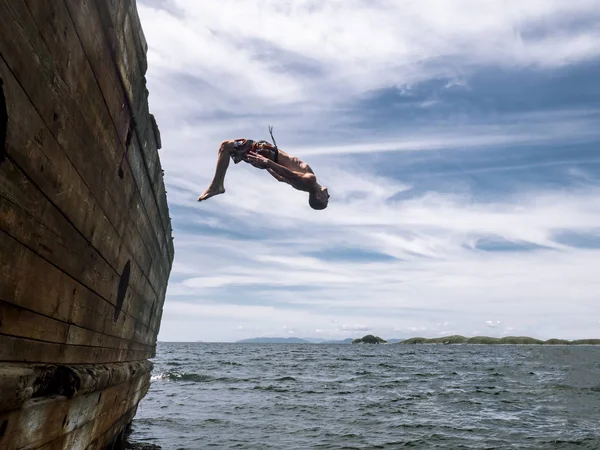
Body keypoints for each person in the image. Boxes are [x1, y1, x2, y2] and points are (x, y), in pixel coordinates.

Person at [197, 131, 330, 210]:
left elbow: (287, 174)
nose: (328, 197)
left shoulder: (310, 182)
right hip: (266, 156)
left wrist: (267, 162)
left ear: (318, 197)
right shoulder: (305, 185)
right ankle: (216, 185)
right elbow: (280, 178)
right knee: (226, 148)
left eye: (325, 200)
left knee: (225, 146)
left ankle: (216, 186)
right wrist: (266, 165)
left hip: (267, 155)